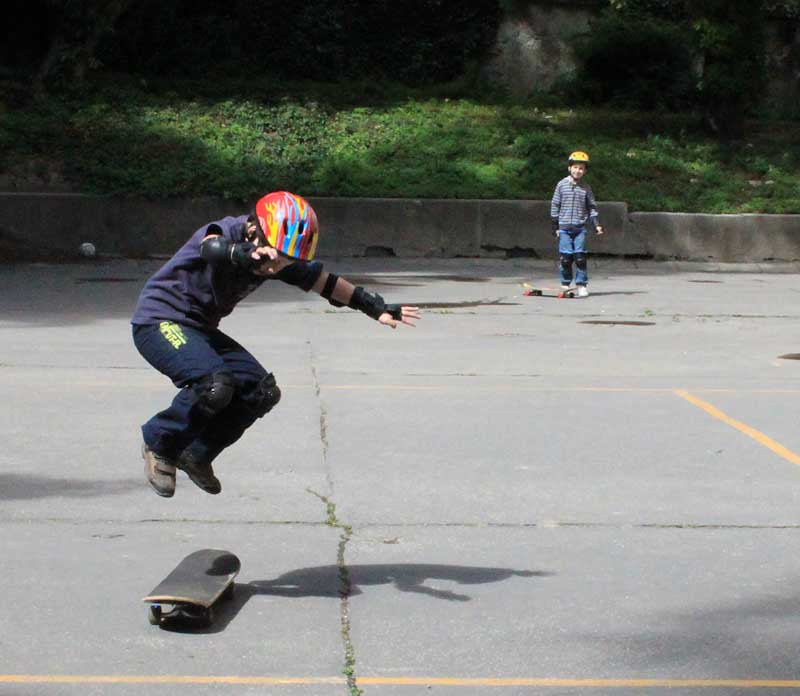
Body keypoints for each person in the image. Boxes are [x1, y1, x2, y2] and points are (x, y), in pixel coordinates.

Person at [131, 191, 421, 498]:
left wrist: (374, 307)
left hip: (198, 329)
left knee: (260, 391)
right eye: (274, 255)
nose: (275, 266)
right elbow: (211, 247)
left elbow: (326, 282)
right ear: (254, 229)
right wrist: (242, 254)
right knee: (214, 384)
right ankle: (160, 444)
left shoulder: (277, 260)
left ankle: (197, 454)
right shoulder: (227, 231)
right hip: (158, 321)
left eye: (286, 261)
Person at [549, 151, 604, 297]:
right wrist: (554, 225)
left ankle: (581, 285)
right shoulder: (561, 185)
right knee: (566, 258)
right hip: (564, 227)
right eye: (575, 167)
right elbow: (555, 204)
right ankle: (565, 283)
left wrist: (596, 224)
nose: (578, 171)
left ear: (585, 171)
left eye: (581, 168)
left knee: (580, 257)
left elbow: (591, 207)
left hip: (580, 228)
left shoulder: (586, 188)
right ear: (569, 168)